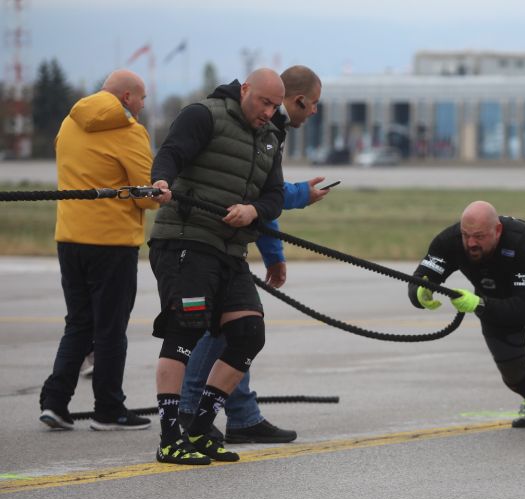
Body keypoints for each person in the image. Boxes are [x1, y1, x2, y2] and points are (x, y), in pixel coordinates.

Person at [179, 65, 329, 445]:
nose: (313, 112)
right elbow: (257, 193)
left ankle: (242, 415)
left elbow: (263, 200)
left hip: (229, 240)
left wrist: (273, 254)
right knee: (221, 330)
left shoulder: (269, 128)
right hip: (202, 239)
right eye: (312, 105)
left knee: (240, 328)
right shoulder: (260, 127)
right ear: (296, 100)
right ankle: (191, 411)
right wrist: (302, 196)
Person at [147, 68, 286, 465]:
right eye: (264, 102)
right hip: (186, 242)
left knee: (248, 332)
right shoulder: (203, 115)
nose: (269, 111)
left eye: (275, 105)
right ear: (245, 90)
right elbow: (171, 153)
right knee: (184, 331)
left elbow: (274, 195)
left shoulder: (271, 138)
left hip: (230, 252)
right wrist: (161, 182)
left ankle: (199, 428)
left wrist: (253, 211)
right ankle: (170, 438)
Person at [39, 69, 157, 431]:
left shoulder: (69, 123)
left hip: (70, 237)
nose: (142, 105)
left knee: (78, 323)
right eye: (141, 98)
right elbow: (147, 194)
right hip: (111, 243)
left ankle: (55, 403)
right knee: (110, 329)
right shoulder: (129, 131)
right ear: (126, 97)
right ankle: (109, 409)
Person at [408, 200, 525, 428]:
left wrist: (478, 304)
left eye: (479, 236)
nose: (471, 243)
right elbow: (422, 275)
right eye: (466, 235)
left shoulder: (524, 242)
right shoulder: (450, 241)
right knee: (510, 368)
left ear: (497, 231)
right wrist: (419, 291)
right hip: (492, 296)